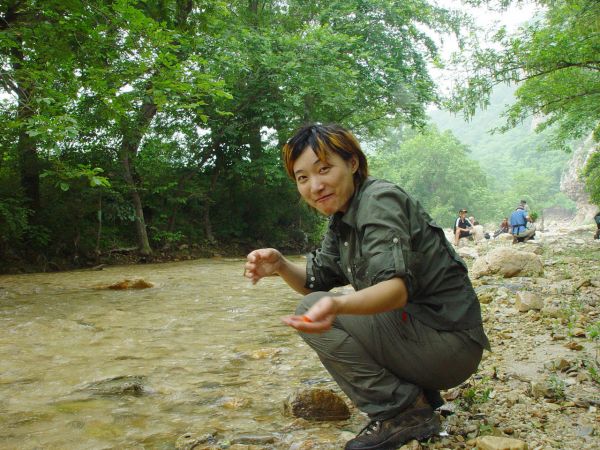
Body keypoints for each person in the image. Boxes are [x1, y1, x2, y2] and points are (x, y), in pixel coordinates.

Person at [244, 124, 490, 450]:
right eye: (302, 178)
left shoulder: (378, 202)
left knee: (312, 310)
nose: (315, 186)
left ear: (353, 163)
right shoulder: (342, 218)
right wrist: (280, 265)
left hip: (449, 344)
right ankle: (418, 399)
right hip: (430, 339)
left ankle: (402, 412)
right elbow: (316, 281)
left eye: (324, 169)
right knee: (317, 303)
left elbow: (395, 291)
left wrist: (337, 304)